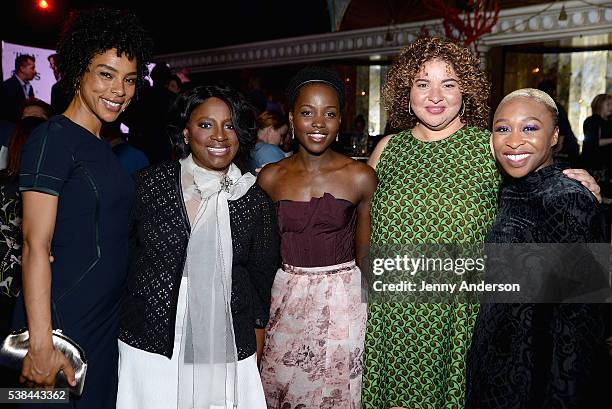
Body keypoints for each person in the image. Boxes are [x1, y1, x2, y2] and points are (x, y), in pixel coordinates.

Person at [361, 37, 601, 409]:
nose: (435, 95)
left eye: (449, 83)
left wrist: (577, 183)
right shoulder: (387, 150)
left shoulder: (488, 144)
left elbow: (533, 181)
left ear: (465, 90)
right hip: (396, 312)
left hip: (463, 314)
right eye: (423, 83)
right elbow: (357, 221)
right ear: (406, 91)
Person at [12, 8, 152, 409]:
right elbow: (34, 244)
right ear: (78, 72)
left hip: (104, 322)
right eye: (105, 74)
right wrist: (40, 344)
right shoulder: (52, 139)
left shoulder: (105, 149)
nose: (119, 90)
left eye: (128, 80)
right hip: (60, 323)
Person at [117, 85, 279, 409]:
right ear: (186, 132)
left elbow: (262, 284)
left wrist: (253, 348)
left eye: (229, 125)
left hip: (227, 339)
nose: (219, 136)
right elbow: (124, 258)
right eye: (206, 124)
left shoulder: (253, 199)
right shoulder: (149, 185)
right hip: (151, 336)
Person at [466, 88, 610, 408]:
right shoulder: (511, 190)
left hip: (536, 381)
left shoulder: (567, 199)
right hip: (497, 366)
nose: (514, 140)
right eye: (502, 128)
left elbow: (581, 323)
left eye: (530, 127)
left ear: (555, 135)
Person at [258, 66, 377, 408]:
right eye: (308, 113)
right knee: (281, 389)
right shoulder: (269, 178)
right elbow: (262, 254)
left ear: (341, 121)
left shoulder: (359, 177)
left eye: (330, 114)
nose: (319, 123)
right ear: (292, 119)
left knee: (339, 394)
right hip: (286, 298)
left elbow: (365, 253)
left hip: (344, 301)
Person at [537, 79, 579, 166]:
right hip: (566, 146)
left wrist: (557, 147)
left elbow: (562, 129)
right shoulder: (550, 106)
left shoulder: (554, 107)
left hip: (566, 148)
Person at [582, 93, 612, 195]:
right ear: (600, 105)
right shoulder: (592, 121)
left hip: (606, 165)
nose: (611, 107)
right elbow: (593, 142)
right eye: (608, 104)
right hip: (594, 165)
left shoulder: (609, 122)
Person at [0, 54, 36, 122]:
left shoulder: (30, 88)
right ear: (22, 68)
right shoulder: (7, 86)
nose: (35, 71)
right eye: (32, 68)